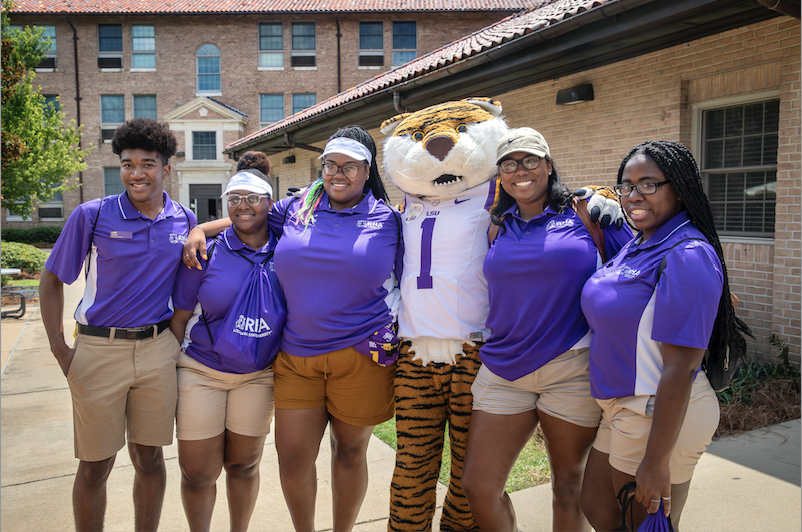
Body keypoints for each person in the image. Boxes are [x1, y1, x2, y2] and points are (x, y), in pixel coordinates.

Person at [182, 125, 402, 532]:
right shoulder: (297, 208)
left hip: (361, 356)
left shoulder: (389, 221)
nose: (338, 174)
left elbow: (411, 282)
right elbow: (248, 216)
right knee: (294, 457)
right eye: (330, 165)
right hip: (297, 356)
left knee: (351, 453)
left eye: (349, 167)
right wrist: (200, 229)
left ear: (367, 169)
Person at [461, 127, 632, 532]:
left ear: (549, 166)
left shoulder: (587, 214)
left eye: (530, 160)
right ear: (500, 174)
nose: (520, 170)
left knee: (568, 488)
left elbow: (641, 262)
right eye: (509, 163)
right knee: (478, 486)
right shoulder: (497, 225)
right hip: (504, 370)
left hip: (571, 369)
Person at [579, 140, 750, 530]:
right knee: (597, 505)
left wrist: (656, 462)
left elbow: (680, 367)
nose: (633, 196)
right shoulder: (642, 241)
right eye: (626, 185)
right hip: (624, 405)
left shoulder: (686, 252)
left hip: (658, 408)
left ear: (679, 187)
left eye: (648, 184)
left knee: (642, 523)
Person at [39, 118, 195, 532]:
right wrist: (60, 348)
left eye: (147, 164)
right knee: (95, 465)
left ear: (166, 168)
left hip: (157, 350)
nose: (136, 173)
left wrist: (172, 344)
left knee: (149, 458)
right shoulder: (92, 215)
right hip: (97, 351)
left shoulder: (185, 219)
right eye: (127, 164)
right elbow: (52, 279)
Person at [169, 170, 278, 532]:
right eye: (234, 199)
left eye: (252, 198)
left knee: (243, 466)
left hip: (258, 376)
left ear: (269, 203)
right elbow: (180, 318)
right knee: (198, 472)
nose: (243, 206)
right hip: (201, 372)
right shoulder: (204, 252)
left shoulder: (289, 246)